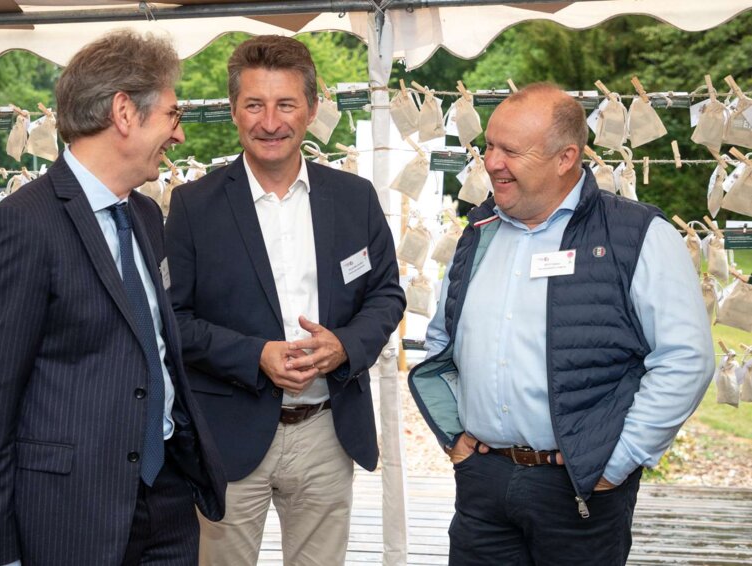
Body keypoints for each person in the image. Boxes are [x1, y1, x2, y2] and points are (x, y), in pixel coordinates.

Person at [409, 82, 714, 565]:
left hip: (580, 488)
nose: (491, 162)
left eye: (511, 151)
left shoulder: (637, 234)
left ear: (565, 157)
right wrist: (457, 441)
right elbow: (443, 339)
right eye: (489, 146)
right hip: (483, 482)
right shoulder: (480, 231)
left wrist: (617, 462)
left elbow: (686, 359)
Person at [0, 30, 225, 566]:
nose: (179, 134)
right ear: (124, 112)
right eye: (172, 115)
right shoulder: (20, 227)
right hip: (71, 515)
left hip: (168, 500)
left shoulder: (144, 215)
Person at [164, 35, 405, 566]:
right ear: (233, 111)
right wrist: (256, 355)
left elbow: (386, 293)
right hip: (229, 435)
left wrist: (345, 345)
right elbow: (173, 321)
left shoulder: (355, 198)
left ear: (312, 109)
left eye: (286, 104)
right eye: (254, 104)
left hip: (327, 430)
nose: (270, 122)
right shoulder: (193, 207)